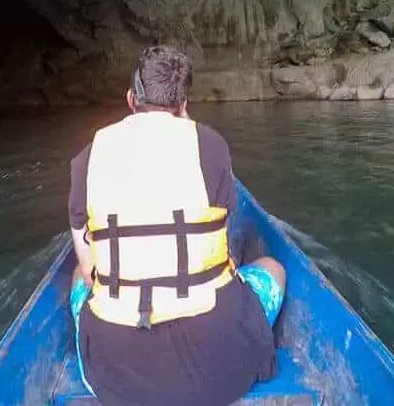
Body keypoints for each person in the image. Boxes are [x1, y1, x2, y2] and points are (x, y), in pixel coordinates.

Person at [68, 45, 286, 406]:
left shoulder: (88, 158)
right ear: (184, 105)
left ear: (130, 99)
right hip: (223, 368)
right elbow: (220, 235)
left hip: (114, 376)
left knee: (79, 272)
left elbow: (92, 274)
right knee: (272, 269)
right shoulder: (211, 146)